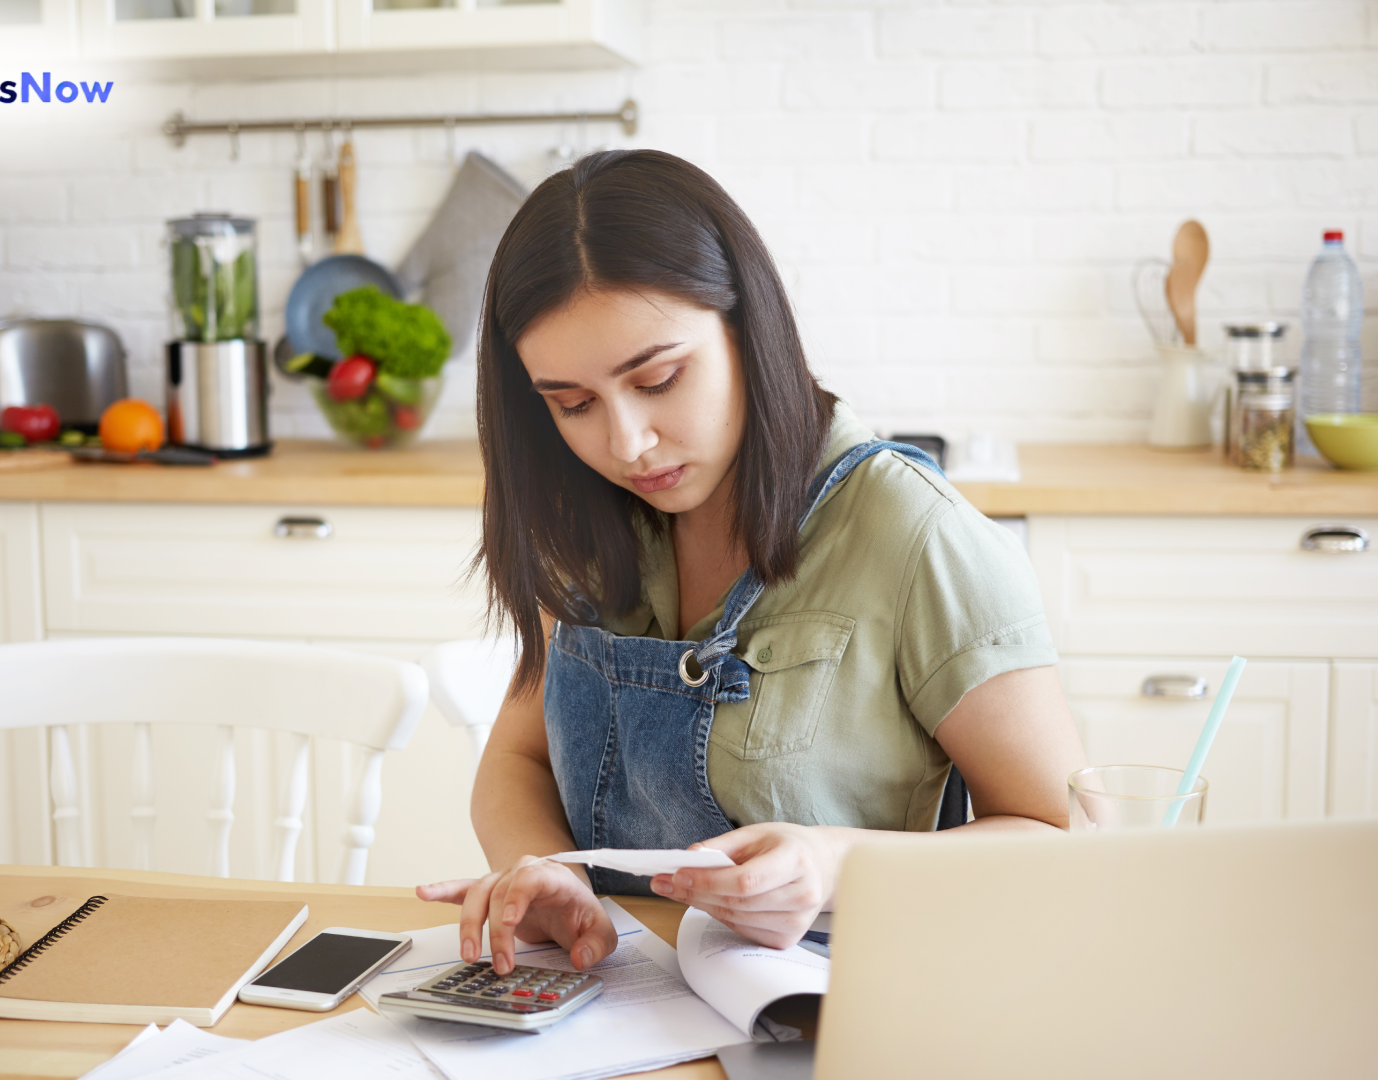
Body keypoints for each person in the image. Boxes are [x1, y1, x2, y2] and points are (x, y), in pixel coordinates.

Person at [417, 149, 1087, 975]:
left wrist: (837, 862)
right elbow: (516, 760)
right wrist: (549, 872)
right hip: (620, 1006)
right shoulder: (585, 521)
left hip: (844, 1012)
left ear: (748, 325)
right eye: (574, 404)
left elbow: (1062, 839)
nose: (626, 444)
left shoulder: (915, 534)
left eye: (659, 378)